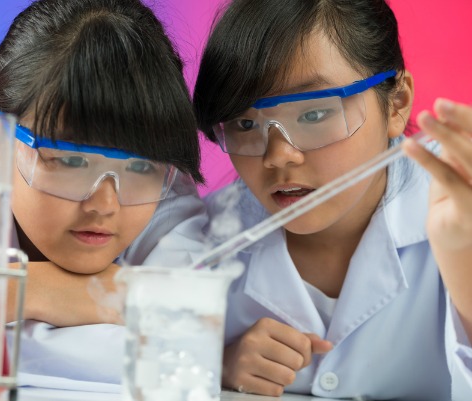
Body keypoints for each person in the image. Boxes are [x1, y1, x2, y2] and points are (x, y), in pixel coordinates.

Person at [0, 0, 207, 385]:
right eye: (72, 162)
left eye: (139, 167)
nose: (105, 204)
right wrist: (87, 296)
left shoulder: (164, 189)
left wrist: (6, 294)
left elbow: (189, 344)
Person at [192, 0, 472, 399]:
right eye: (245, 124)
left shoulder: (461, 208)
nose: (277, 156)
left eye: (312, 114)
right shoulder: (201, 239)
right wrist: (210, 363)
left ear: (396, 103)